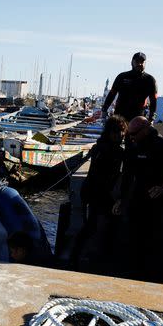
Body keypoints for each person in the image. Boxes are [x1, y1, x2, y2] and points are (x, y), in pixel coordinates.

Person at [115, 117, 163, 279]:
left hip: (155, 201)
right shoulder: (133, 147)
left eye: (134, 134)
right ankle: (131, 273)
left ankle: (149, 275)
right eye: (129, 135)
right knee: (132, 238)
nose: (131, 138)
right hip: (135, 200)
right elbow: (126, 175)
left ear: (146, 129)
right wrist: (121, 198)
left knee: (151, 240)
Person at [69, 115, 128, 269]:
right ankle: (94, 258)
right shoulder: (114, 151)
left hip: (92, 191)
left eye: (122, 132)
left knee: (92, 226)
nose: (120, 135)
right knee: (97, 226)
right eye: (117, 132)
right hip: (97, 193)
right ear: (110, 132)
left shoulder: (99, 147)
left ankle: (76, 257)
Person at [102, 52, 158, 123]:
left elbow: (153, 100)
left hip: (138, 117)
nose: (139, 64)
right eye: (137, 61)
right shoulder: (122, 77)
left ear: (145, 63)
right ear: (132, 62)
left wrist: (152, 117)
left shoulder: (150, 80)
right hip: (119, 116)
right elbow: (112, 94)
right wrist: (104, 110)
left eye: (142, 62)